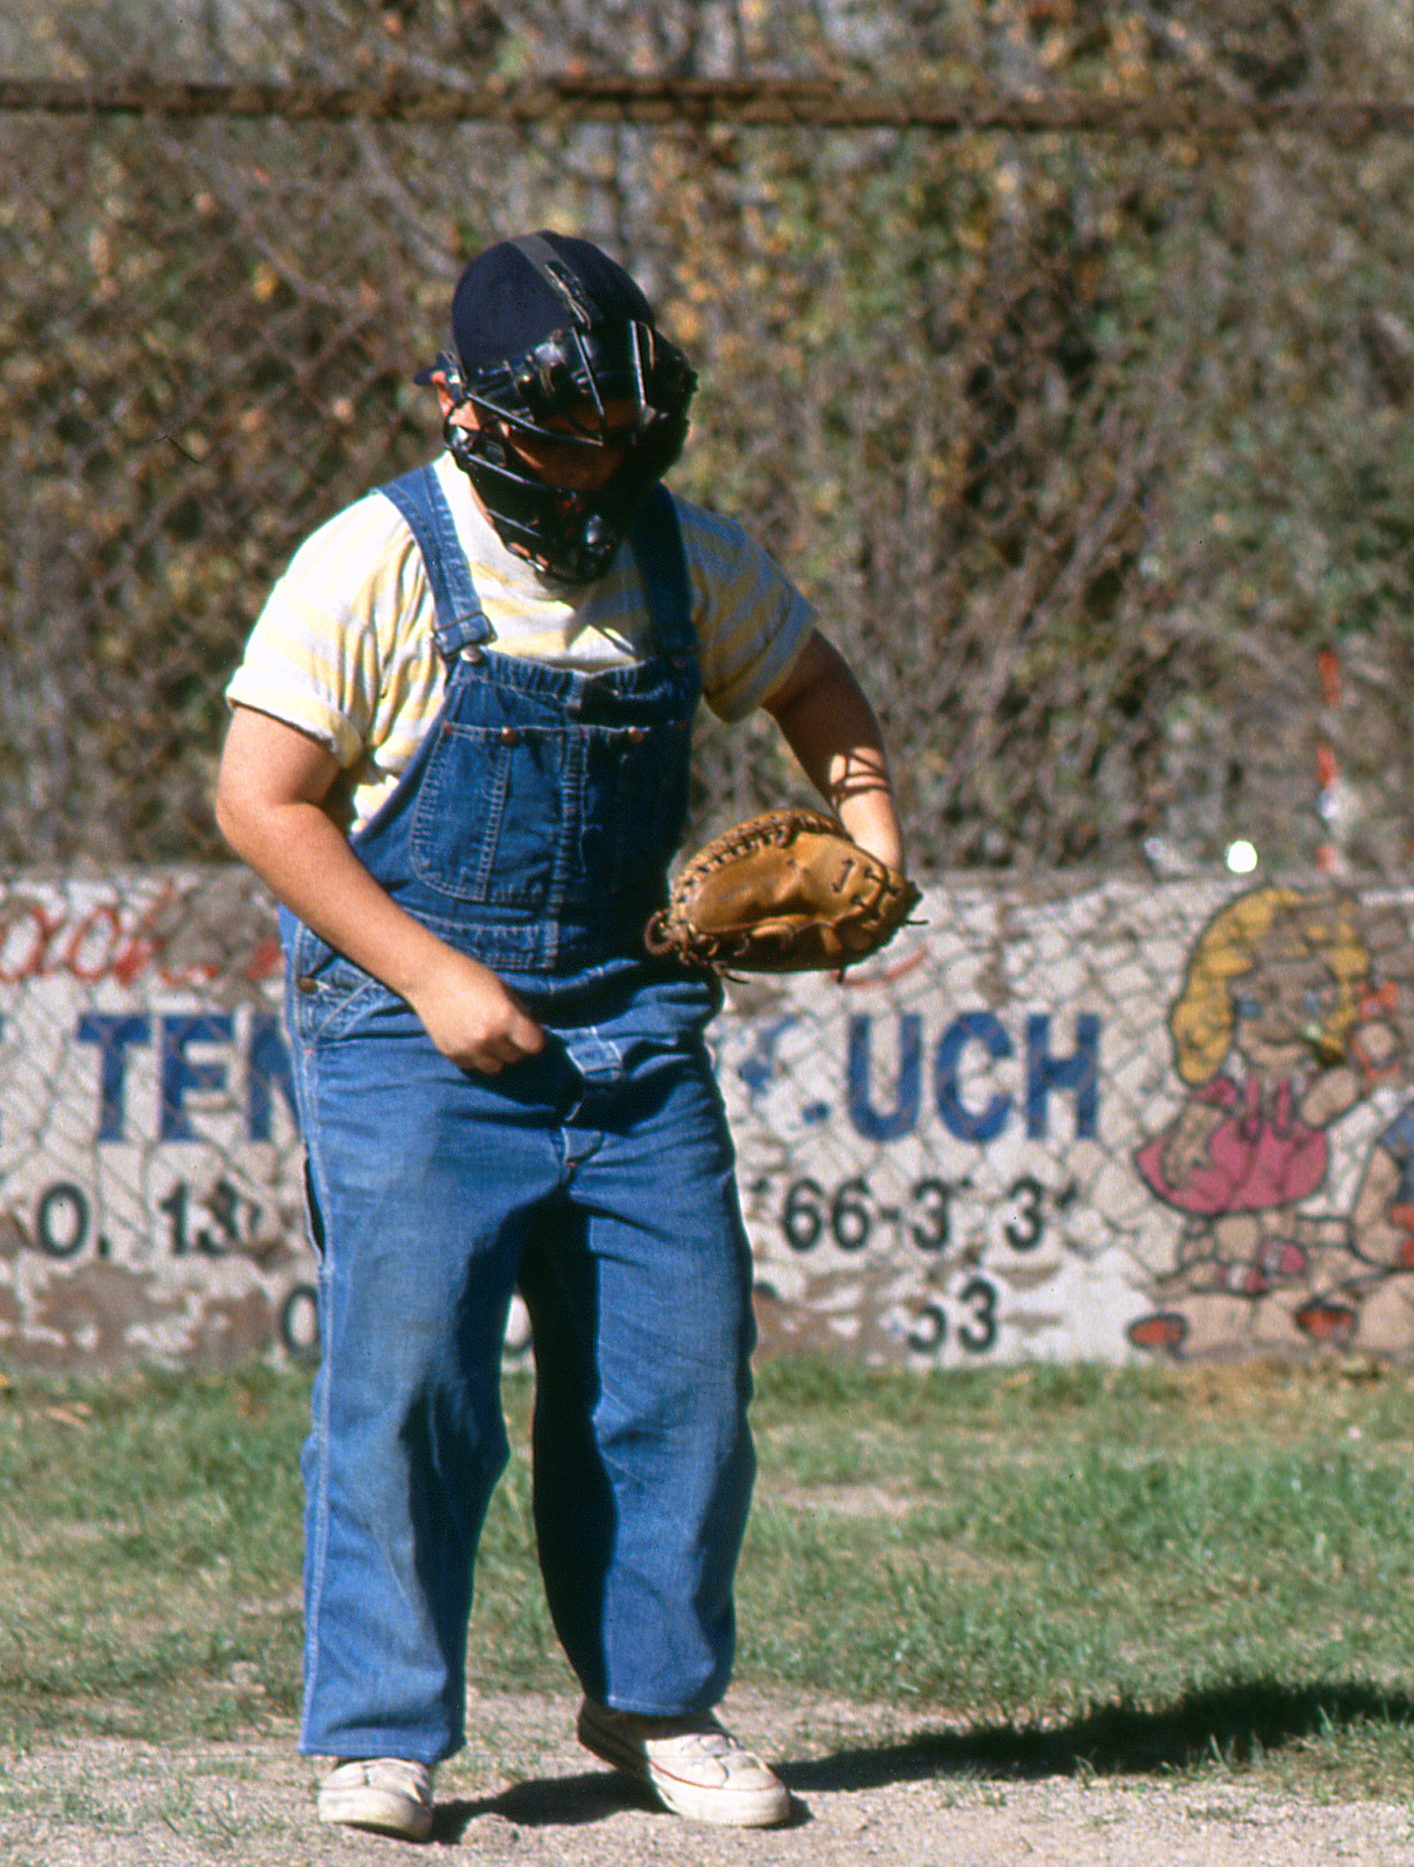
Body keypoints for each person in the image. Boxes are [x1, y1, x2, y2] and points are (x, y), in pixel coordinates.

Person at [215, 232, 904, 1840]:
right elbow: (262, 802)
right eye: (565, 432)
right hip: (408, 1030)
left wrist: (871, 834)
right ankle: (380, 1733)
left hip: (629, 1023)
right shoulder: (375, 560)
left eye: (624, 432)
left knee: (678, 1379)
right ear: (466, 408)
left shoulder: (685, 558)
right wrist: (436, 977)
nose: (599, 460)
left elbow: (816, 685)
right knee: (414, 1385)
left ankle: (657, 1702)